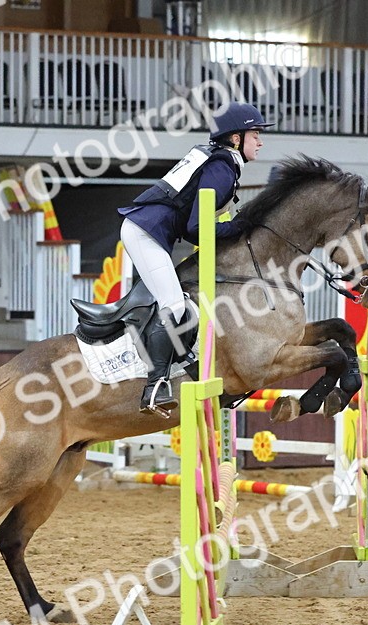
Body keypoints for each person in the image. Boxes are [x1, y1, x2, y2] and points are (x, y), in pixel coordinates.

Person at [117, 102, 273, 413]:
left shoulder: (219, 162)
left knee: (184, 304)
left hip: (150, 230)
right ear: (236, 138)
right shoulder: (222, 168)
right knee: (174, 305)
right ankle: (154, 387)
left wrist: (232, 227)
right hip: (145, 232)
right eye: (255, 133)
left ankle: (181, 367)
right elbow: (198, 227)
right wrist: (239, 225)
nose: (261, 140)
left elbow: (194, 229)